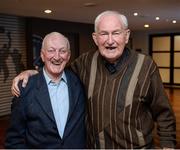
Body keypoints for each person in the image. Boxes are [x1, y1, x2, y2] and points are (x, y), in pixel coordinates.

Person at [11, 11, 176, 149]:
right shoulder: (85, 63)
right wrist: (33, 73)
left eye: (116, 33)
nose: (110, 40)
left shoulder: (146, 66)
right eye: (104, 34)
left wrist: (168, 146)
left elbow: (164, 114)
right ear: (95, 38)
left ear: (126, 36)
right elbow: (57, 69)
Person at [5, 32, 86, 148]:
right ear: (42, 55)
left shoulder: (80, 81)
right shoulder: (25, 89)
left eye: (62, 51)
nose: (57, 57)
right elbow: (14, 140)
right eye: (51, 51)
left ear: (68, 56)